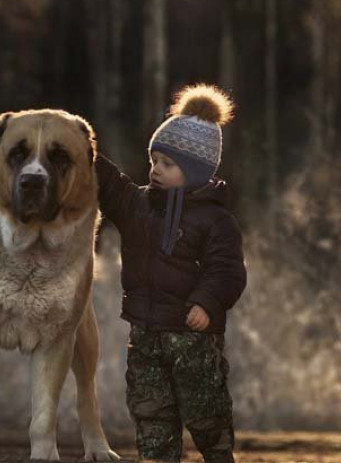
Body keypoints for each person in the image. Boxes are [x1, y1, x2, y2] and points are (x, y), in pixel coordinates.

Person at [94, 83, 247, 463]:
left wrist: (207, 303)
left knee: (206, 414)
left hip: (192, 340)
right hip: (145, 334)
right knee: (151, 412)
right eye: (154, 160)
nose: (155, 170)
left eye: (167, 164)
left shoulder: (216, 220)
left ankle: (219, 457)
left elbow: (227, 271)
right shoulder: (139, 205)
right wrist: (85, 152)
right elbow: (112, 188)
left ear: (194, 172)